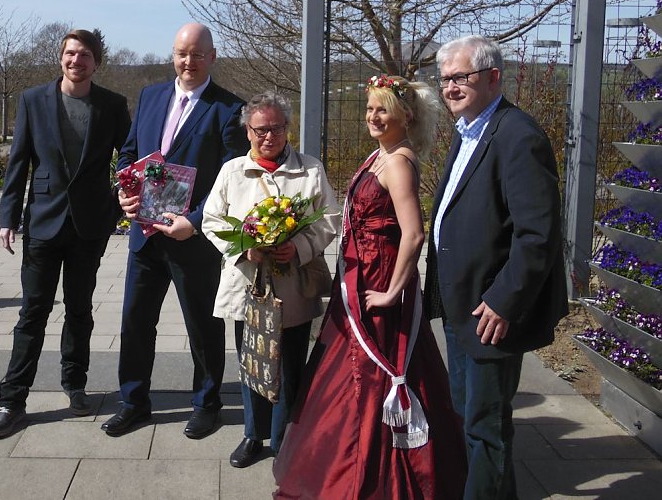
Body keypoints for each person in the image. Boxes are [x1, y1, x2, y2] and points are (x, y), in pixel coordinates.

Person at [274, 75, 467, 499]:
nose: (373, 117)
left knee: (375, 370)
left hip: (381, 280)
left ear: (405, 116)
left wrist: (393, 292)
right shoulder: (379, 155)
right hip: (360, 277)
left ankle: (377, 469)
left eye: (383, 110)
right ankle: (345, 458)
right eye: (370, 109)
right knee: (348, 372)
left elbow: (414, 234)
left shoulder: (398, 163)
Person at [424, 35, 568, 499]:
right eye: (445, 78)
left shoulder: (518, 136)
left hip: (491, 311)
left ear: (492, 78)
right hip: (461, 305)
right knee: (470, 415)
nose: (450, 87)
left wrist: (505, 301)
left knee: (485, 426)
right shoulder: (468, 130)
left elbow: (538, 235)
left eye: (460, 77)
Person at [101, 22, 249, 439]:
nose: (189, 61)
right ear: (173, 55)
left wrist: (195, 222)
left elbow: (231, 179)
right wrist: (125, 190)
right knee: (135, 323)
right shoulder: (151, 96)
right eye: (182, 53)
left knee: (202, 327)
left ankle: (206, 404)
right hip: (145, 236)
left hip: (192, 240)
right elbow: (129, 152)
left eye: (198, 54)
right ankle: (133, 402)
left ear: (212, 57)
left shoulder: (229, 109)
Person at [0, 29, 131, 439]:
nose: (76, 60)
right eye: (70, 53)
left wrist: (122, 201)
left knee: (79, 310)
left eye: (84, 55)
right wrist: (8, 217)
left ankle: (75, 384)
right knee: (33, 313)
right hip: (43, 223)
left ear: (96, 62)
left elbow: (129, 157)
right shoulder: (33, 100)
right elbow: (19, 162)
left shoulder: (112, 105)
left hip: (89, 226)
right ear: (61, 57)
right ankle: (12, 401)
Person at [202, 91, 341, 468]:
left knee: (290, 364)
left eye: (277, 128)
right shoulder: (232, 171)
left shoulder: (310, 169)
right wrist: (242, 247)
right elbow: (212, 220)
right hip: (248, 286)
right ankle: (253, 434)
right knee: (251, 361)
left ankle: (284, 439)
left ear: (287, 128)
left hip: (293, 286)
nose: (269, 136)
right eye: (260, 129)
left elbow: (330, 219)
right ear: (247, 130)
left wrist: (299, 247)